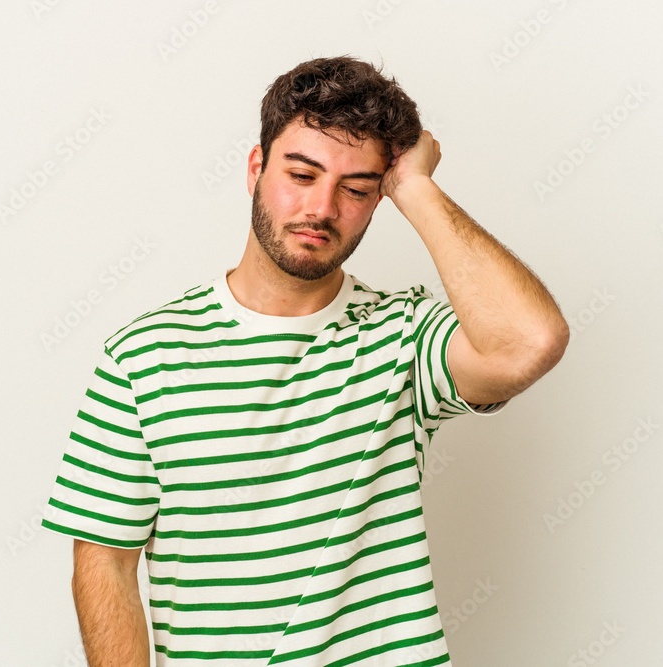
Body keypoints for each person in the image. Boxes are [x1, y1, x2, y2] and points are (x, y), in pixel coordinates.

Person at [41, 55, 569, 666]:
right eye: (301, 174)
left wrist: (416, 187)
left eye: (357, 189)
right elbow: (104, 562)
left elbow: (528, 343)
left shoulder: (403, 336)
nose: (322, 207)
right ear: (255, 169)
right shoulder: (144, 356)